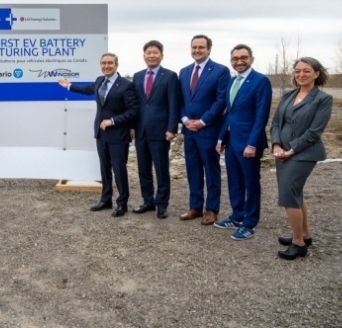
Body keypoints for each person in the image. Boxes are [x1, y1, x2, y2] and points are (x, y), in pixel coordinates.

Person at [58, 53, 138, 217]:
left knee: (119, 170)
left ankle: (122, 203)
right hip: (101, 134)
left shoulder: (126, 85)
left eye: (110, 63)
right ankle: (106, 200)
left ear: (116, 65)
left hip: (118, 135)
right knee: (104, 169)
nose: (106, 66)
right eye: (103, 63)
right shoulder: (99, 81)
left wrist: (113, 121)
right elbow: (86, 90)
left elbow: (133, 111)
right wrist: (68, 85)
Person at [271, 57, 332, 260]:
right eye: (298, 71)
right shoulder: (288, 95)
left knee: (289, 195)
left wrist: (291, 150)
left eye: (306, 71)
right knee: (296, 194)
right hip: (282, 152)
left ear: (316, 74)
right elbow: (276, 123)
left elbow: (314, 132)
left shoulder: (323, 99)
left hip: (304, 153)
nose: (301, 75)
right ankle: (305, 235)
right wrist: (277, 144)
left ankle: (298, 244)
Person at [214, 45, 272, 240]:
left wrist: (253, 144)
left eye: (243, 58)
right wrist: (221, 138)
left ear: (251, 59)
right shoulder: (232, 81)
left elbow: (261, 115)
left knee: (251, 183)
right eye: (235, 58)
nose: (239, 61)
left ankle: (249, 222)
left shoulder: (260, 81)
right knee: (234, 181)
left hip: (249, 143)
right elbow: (229, 113)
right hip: (232, 142)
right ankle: (237, 216)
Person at [178, 34, 230, 225]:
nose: (197, 50)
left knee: (211, 171)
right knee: (192, 170)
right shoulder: (184, 72)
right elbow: (181, 100)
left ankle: (212, 209)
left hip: (208, 131)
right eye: (194, 47)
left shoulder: (220, 71)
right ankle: (195, 207)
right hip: (189, 131)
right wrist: (184, 119)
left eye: (201, 47)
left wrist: (202, 121)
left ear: (209, 49)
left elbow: (220, 101)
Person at [130, 40, 180, 219]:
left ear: (161, 55)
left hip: (161, 131)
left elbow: (174, 104)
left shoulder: (170, 76)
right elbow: (134, 105)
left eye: (155, 52)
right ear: (144, 56)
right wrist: (132, 127)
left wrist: (172, 128)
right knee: (143, 169)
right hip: (140, 131)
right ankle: (147, 201)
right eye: (148, 53)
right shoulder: (137, 76)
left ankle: (162, 204)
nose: (151, 55)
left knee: (161, 169)